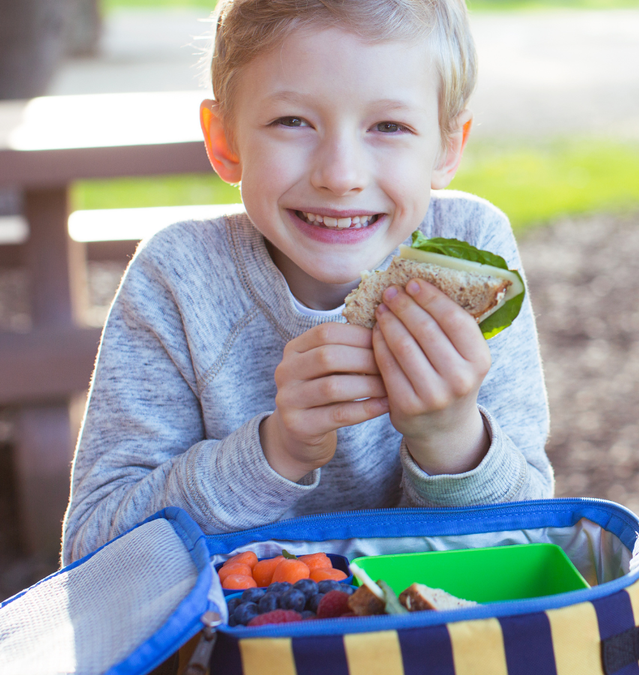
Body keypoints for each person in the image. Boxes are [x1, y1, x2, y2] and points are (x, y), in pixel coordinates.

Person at [61, 0, 553, 565]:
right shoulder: (178, 279)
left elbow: (531, 551)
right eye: (292, 121)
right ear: (224, 140)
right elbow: (93, 556)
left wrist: (450, 439)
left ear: (447, 147)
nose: (340, 175)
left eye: (389, 126)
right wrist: (274, 453)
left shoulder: (475, 257)